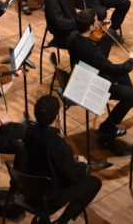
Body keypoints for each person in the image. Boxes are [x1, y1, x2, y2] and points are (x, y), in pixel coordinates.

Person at [23, 95, 102, 224]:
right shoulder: (57, 142)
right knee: (94, 182)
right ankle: (61, 221)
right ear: (56, 117)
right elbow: (72, 177)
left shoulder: (29, 131)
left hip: (29, 189)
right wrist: (83, 165)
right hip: (48, 196)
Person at [69, 9, 133, 140]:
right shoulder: (91, 50)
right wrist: (131, 61)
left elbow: (91, 53)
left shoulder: (73, 37)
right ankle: (108, 126)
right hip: (90, 84)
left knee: (123, 77)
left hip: (81, 74)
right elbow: (112, 70)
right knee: (132, 95)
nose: (98, 23)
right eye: (96, 21)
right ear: (90, 26)